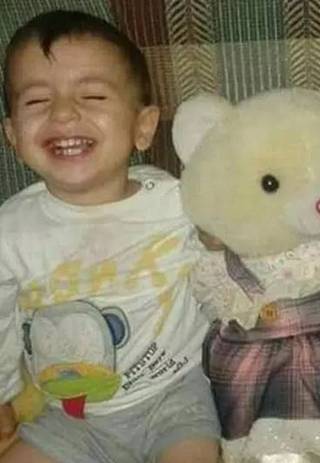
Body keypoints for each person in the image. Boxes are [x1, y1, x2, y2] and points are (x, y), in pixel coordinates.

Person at [0, 9, 220, 463]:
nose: (64, 112)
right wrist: (3, 395)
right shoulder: (11, 230)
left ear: (143, 126)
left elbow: (235, 253)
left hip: (176, 398)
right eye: (37, 101)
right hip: (68, 417)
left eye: (93, 95)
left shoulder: (180, 202)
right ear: (12, 135)